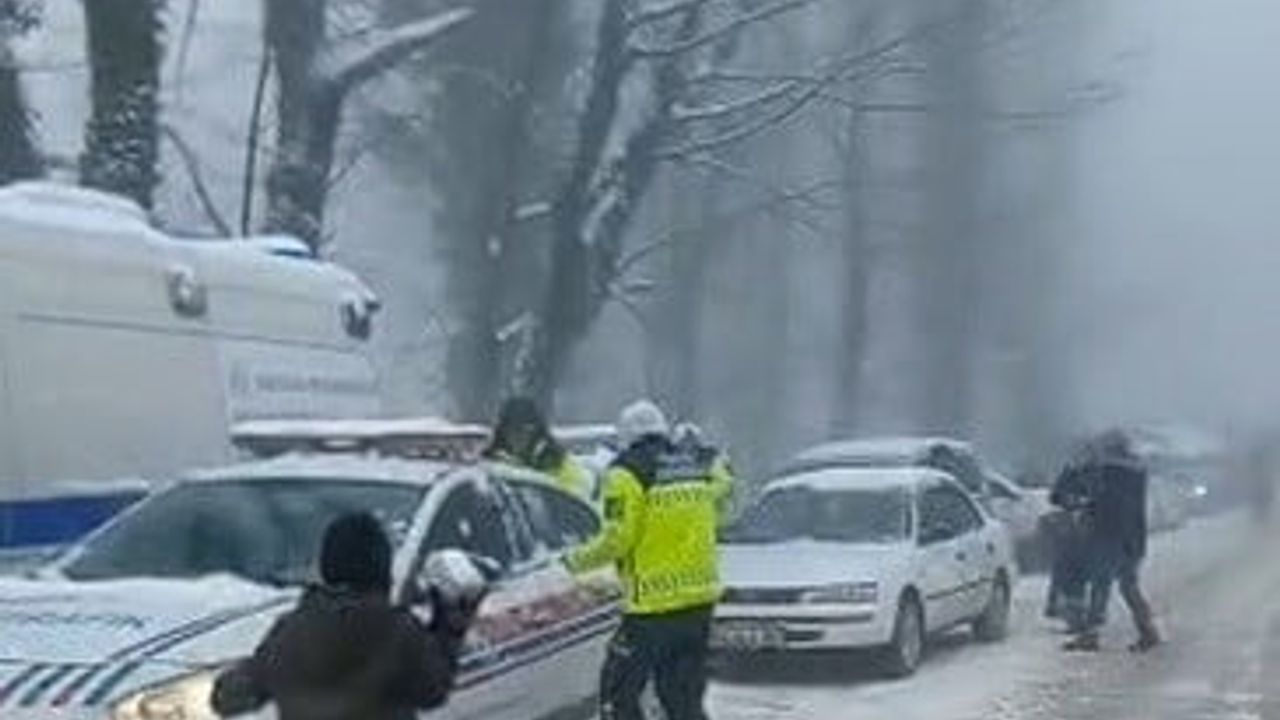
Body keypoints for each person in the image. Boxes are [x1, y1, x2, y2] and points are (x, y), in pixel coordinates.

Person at [211, 513, 484, 720]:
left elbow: (228, 698)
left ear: (328, 565)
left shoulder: (291, 629)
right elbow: (432, 691)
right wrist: (447, 628)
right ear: (380, 566)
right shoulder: (396, 629)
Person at [564, 400, 732, 720]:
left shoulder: (626, 473)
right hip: (699, 604)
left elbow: (618, 538)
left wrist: (573, 563)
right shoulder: (692, 467)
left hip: (652, 608)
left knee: (618, 691)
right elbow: (720, 495)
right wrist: (717, 460)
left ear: (625, 436)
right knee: (683, 699)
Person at [1064, 430, 1161, 653]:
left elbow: (1091, 496)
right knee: (1129, 586)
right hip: (1133, 536)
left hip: (1107, 534)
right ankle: (1147, 630)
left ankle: (1091, 635)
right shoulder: (1136, 471)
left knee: (1101, 584)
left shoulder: (1105, 472)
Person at [485, 396, 591, 499]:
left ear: (537, 432)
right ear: (502, 432)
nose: (518, 437)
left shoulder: (558, 464)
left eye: (526, 431)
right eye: (512, 430)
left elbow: (577, 502)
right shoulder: (488, 464)